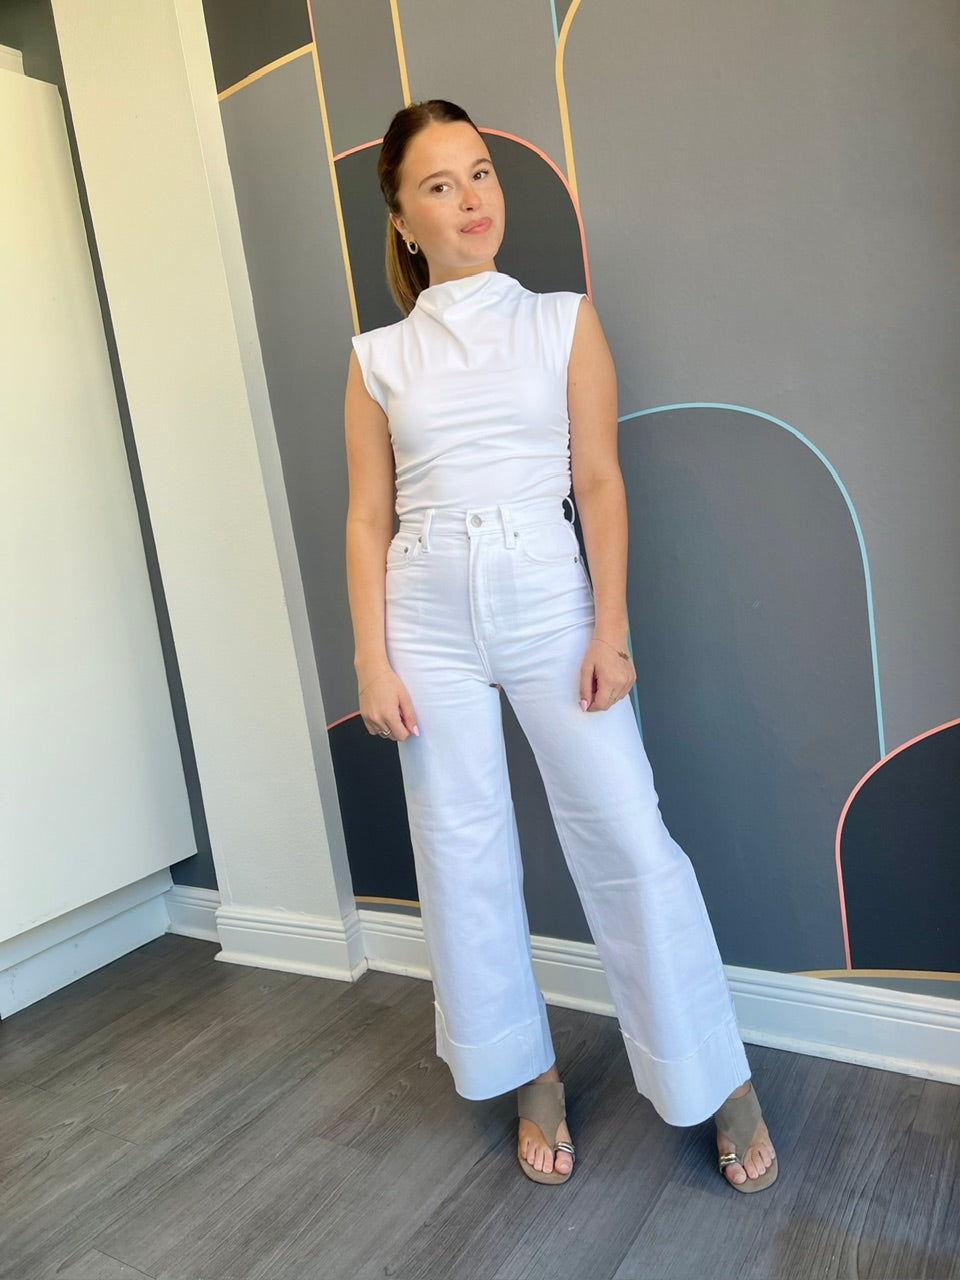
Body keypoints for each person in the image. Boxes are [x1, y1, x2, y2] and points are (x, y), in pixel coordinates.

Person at [344, 99, 777, 1192]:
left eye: (480, 172)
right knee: (461, 848)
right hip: (423, 608)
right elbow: (367, 515)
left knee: (627, 834)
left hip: (547, 592)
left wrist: (610, 632)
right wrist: (371, 660)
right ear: (402, 219)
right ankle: (524, 1067)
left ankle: (717, 1076)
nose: (471, 198)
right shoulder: (378, 357)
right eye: (439, 184)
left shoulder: (562, 321)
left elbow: (599, 481)